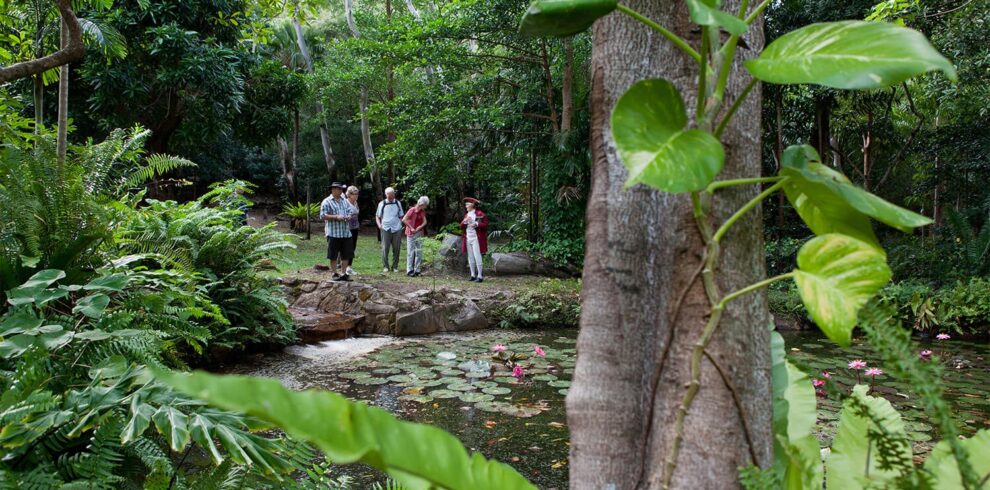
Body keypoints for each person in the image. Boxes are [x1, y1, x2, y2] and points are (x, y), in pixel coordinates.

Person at [319, 182, 353, 281]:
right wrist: (336, 217)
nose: (341, 191)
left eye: (341, 189)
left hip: (346, 232)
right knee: (333, 254)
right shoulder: (326, 201)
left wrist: (349, 216)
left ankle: (343, 274)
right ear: (333, 190)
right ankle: (334, 273)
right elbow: (323, 215)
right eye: (339, 189)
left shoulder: (344, 201)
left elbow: (349, 211)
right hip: (333, 233)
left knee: (346, 254)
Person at [375, 187, 404, 273]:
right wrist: (379, 225)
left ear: (394, 194)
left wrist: (401, 224)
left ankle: (395, 266)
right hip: (385, 228)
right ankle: (385, 266)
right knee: (385, 248)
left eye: (392, 195)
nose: (390, 197)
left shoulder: (398, 203)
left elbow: (401, 215)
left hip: (397, 228)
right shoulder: (382, 203)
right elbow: (377, 216)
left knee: (396, 248)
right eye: (389, 196)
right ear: (386, 195)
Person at [460, 197, 489, 282]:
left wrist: (476, 224)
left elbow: (486, 225)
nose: (466, 206)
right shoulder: (466, 215)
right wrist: (464, 221)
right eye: (466, 204)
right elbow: (461, 226)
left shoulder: (480, 213)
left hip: (477, 238)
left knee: (477, 256)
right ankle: (472, 275)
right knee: (470, 257)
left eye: (467, 204)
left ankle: (480, 276)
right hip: (468, 238)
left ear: (472, 205)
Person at [402, 196, 429, 277]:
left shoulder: (422, 211)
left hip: (419, 233)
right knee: (411, 252)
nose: (426, 207)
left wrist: (419, 227)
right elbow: (404, 219)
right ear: (422, 204)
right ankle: (409, 270)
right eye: (426, 205)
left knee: (419, 252)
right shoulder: (412, 210)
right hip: (411, 233)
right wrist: (411, 228)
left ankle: (417, 270)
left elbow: (425, 222)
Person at [343, 185, 360, 276]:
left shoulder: (356, 203)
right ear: (349, 194)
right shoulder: (345, 203)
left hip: (355, 227)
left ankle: (349, 267)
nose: (356, 196)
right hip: (347, 228)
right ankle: (344, 267)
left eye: (357, 194)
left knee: (353, 247)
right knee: (347, 247)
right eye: (354, 194)